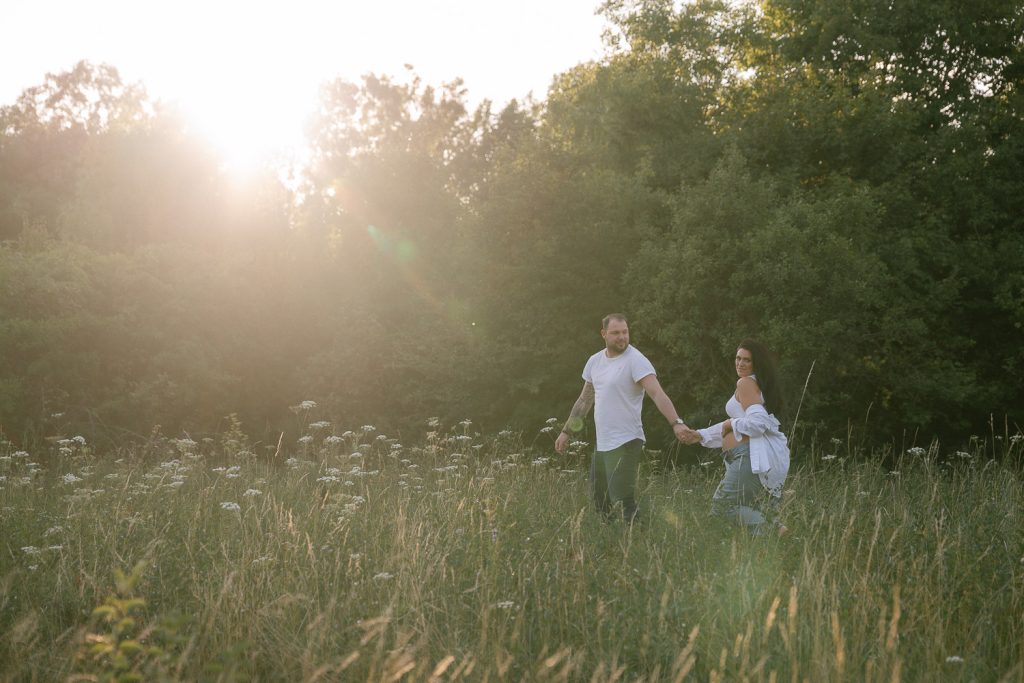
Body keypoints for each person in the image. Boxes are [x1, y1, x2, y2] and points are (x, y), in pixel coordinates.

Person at [555, 314, 690, 524]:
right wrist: (566, 431)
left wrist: (676, 423)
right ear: (604, 334)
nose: (622, 337)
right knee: (600, 500)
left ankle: (638, 541)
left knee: (622, 497)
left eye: (625, 332)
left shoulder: (636, 360)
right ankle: (615, 546)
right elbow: (584, 400)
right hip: (604, 443)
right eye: (616, 333)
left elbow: (657, 393)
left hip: (628, 439)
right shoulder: (595, 362)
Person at [680, 339, 790, 536]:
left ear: (757, 363)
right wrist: (702, 435)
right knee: (748, 508)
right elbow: (736, 422)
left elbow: (757, 424)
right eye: (738, 358)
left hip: (746, 458)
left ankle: (774, 530)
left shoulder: (746, 383)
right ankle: (772, 538)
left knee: (722, 508)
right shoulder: (755, 384)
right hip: (746, 458)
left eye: (747, 360)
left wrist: (729, 424)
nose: (740, 363)